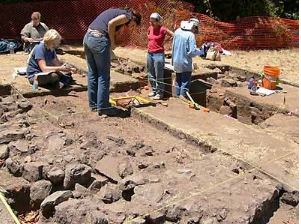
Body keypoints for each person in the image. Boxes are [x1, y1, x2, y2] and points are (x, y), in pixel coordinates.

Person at [83, 8, 141, 116]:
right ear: (134, 18)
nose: (131, 27)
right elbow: (111, 24)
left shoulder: (116, 12)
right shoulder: (127, 16)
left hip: (88, 38)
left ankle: (94, 104)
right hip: (98, 40)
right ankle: (104, 107)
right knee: (103, 75)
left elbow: (110, 25)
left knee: (92, 73)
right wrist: (112, 43)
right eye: (133, 25)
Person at [172, 18, 201, 99]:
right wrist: (200, 52)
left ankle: (177, 96)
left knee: (178, 80)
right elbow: (191, 52)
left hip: (176, 60)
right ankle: (182, 96)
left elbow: (173, 46)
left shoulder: (177, 31)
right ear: (194, 27)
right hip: (185, 62)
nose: (195, 31)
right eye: (195, 29)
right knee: (185, 81)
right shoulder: (190, 35)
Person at [147, 13, 173, 100]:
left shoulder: (163, 29)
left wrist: (165, 42)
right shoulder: (150, 28)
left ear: (158, 21)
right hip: (149, 53)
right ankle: (154, 90)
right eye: (151, 21)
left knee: (159, 75)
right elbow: (149, 36)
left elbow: (173, 35)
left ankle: (160, 92)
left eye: (153, 21)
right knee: (151, 73)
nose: (151, 23)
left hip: (158, 54)